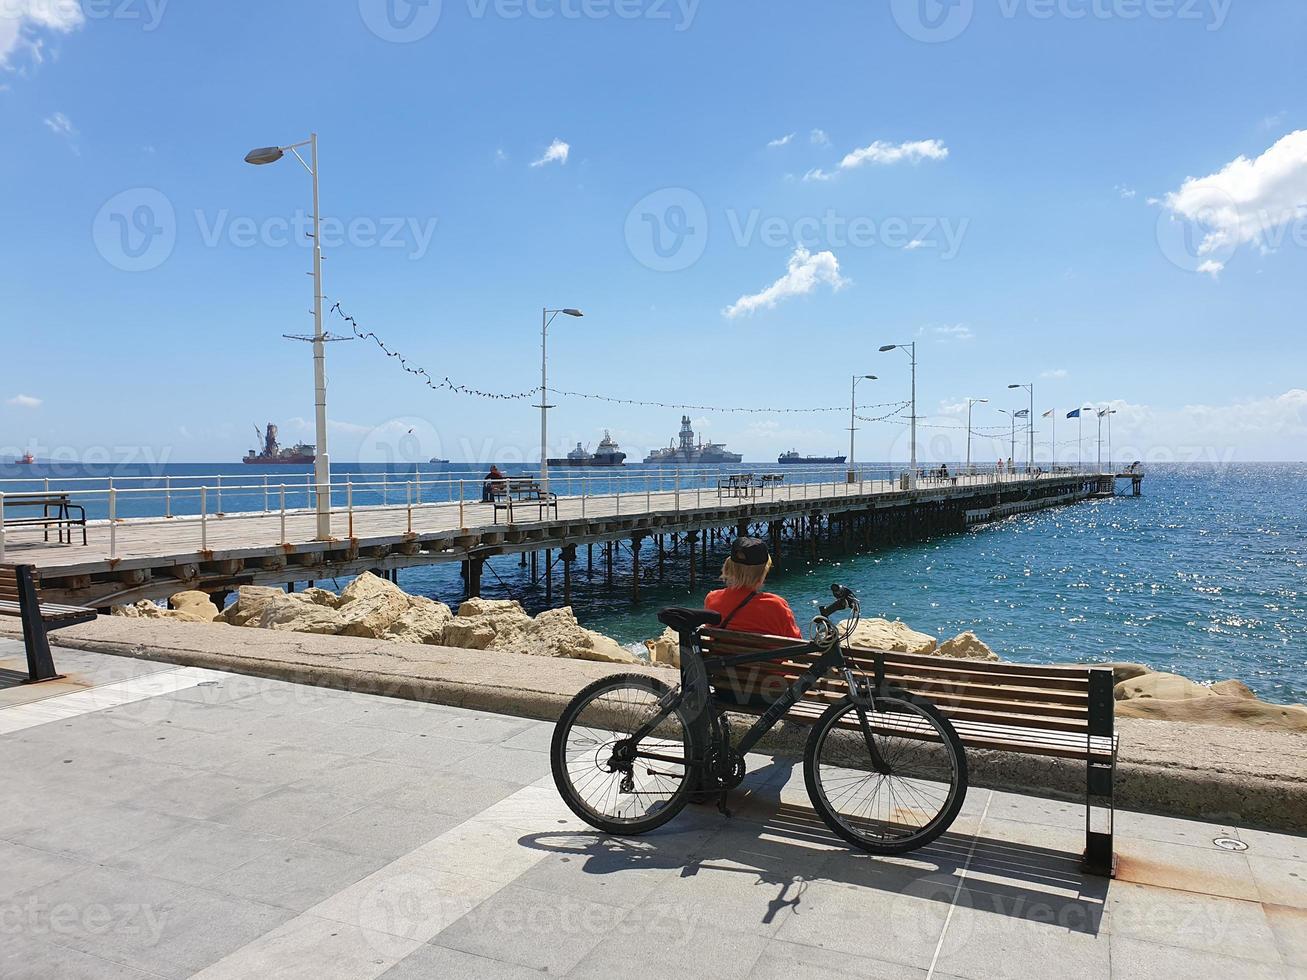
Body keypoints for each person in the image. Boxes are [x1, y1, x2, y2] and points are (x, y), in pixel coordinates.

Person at [704, 537, 801, 639]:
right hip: (765, 655)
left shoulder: (712, 599)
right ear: (763, 571)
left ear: (729, 567)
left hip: (722, 654)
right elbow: (797, 645)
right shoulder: (776, 605)